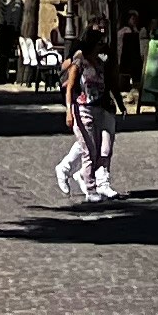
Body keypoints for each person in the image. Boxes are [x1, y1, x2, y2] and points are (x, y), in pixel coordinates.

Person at [57, 27, 118, 203]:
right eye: (99, 42)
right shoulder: (79, 61)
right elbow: (69, 86)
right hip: (82, 109)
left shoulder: (99, 63)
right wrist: (69, 111)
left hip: (97, 108)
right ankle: (90, 188)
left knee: (96, 149)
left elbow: (108, 83)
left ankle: (88, 179)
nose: (102, 45)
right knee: (88, 150)